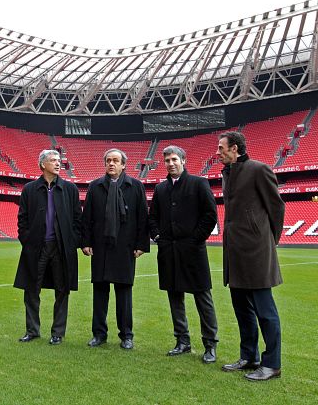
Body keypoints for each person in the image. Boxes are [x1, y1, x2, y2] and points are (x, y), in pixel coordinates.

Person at [217, 131, 285, 381]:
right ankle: (249, 357)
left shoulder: (259, 169)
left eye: (221, 147)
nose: (218, 152)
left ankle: (272, 364)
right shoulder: (227, 173)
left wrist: (268, 240)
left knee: (265, 312)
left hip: (256, 251)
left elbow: (276, 206)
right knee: (242, 309)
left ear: (235, 148)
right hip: (235, 252)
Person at [148, 145, 219, 363]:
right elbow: (152, 218)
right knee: (174, 296)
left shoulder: (199, 183)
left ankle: (210, 344)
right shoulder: (160, 189)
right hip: (169, 251)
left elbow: (210, 215)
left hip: (193, 251)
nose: (170, 163)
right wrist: (158, 237)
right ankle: (182, 341)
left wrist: (196, 239)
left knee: (202, 297)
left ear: (183, 160)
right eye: (167, 160)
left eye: (174, 160)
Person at [81, 148, 149, 350]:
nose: (111, 164)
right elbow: (87, 217)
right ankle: (99, 334)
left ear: (123, 164)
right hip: (101, 247)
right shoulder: (95, 186)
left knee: (124, 294)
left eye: (115, 161)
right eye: (108, 160)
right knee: (100, 293)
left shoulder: (135, 186)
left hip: (125, 248)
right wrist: (85, 242)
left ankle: (126, 335)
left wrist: (141, 245)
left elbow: (142, 219)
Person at [14, 149, 82, 345]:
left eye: (59, 160)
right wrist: (27, 240)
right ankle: (32, 330)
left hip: (61, 248)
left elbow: (78, 219)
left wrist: (73, 242)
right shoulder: (30, 189)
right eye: (53, 160)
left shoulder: (70, 190)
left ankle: (57, 333)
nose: (58, 163)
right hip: (36, 247)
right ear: (43, 164)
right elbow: (22, 220)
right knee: (31, 289)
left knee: (62, 289)